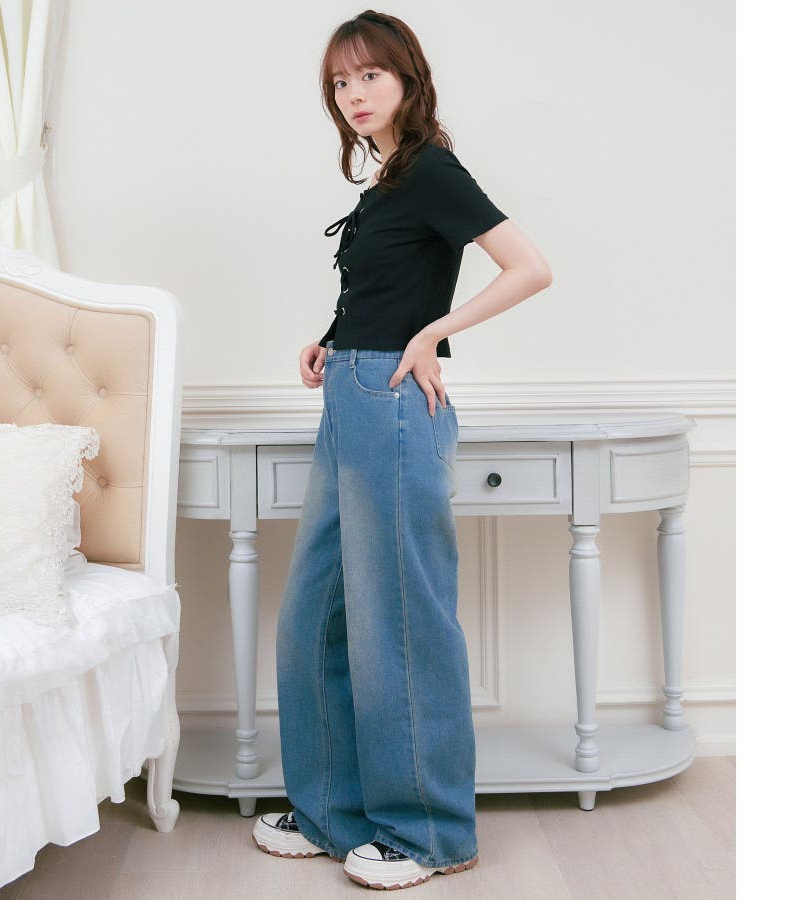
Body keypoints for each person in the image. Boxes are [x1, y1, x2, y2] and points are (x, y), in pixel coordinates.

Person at [252, 9, 552, 891]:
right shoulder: (386, 182)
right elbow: (390, 284)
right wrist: (330, 339)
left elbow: (529, 266)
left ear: (408, 79)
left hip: (390, 404)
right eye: (340, 82)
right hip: (350, 394)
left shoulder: (432, 171)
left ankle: (427, 832)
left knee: (399, 623)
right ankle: (333, 814)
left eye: (370, 76)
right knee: (315, 615)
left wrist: (430, 336)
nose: (354, 94)